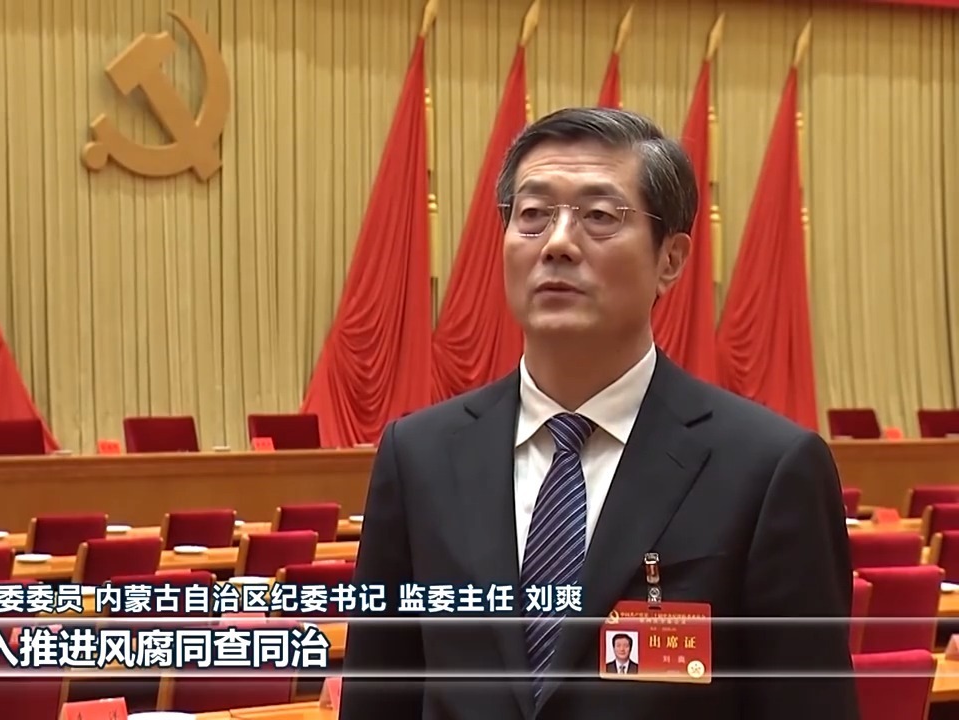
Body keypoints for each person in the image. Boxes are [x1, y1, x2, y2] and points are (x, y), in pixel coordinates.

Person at [339, 107, 857, 720]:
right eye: (533, 215)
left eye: (600, 216)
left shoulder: (768, 469)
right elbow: (380, 694)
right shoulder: (419, 457)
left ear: (671, 259)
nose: (558, 243)